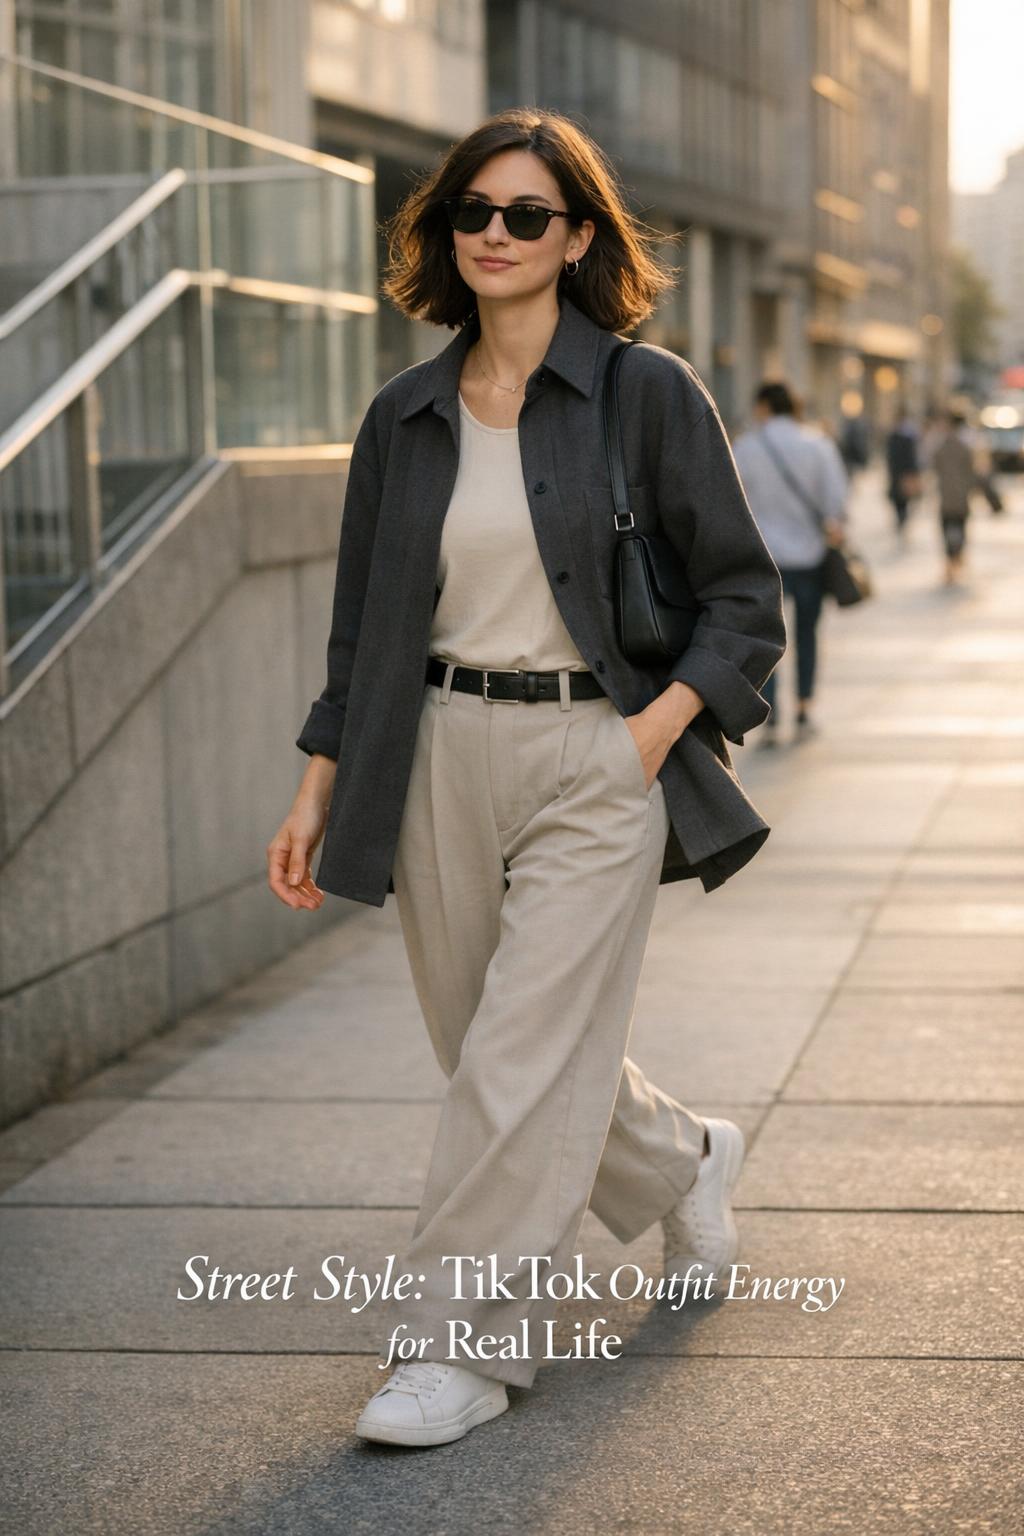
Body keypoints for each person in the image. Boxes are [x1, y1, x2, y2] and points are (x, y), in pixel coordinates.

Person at [266, 108, 785, 1447]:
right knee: (492, 1051)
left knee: (514, 1062)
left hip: (595, 756)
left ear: (577, 239)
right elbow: (362, 623)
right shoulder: (405, 416)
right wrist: (319, 784)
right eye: (472, 214)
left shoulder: (647, 395)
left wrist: (654, 731)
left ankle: (459, 1348)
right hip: (434, 750)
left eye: (526, 216)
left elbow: (743, 600)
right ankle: (688, 1157)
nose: (494, 235)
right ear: (447, 233)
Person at [732, 381, 848, 745]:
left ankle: (770, 714)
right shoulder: (817, 444)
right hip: (810, 556)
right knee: (808, 633)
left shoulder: (747, 447)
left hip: (764, 558)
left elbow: (734, 503)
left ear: (764, 406)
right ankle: (804, 707)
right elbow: (835, 502)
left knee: (767, 639)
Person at [930, 409, 978, 584]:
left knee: (947, 529)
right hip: (961, 497)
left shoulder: (942, 445)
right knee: (960, 529)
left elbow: (933, 463)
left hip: (947, 497)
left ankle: (951, 562)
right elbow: (973, 471)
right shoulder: (966, 446)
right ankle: (957, 559)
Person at [885, 407, 923, 541]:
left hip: (901, 474)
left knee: (902, 499)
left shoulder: (904, 437)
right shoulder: (897, 437)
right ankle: (901, 519)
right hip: (899, 474)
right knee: (900, 500)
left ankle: (902, 519)